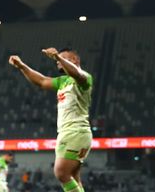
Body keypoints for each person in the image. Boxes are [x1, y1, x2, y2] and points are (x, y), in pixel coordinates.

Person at [9, 48, 93, 192]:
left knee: (61, 172)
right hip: (67, 132)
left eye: (64, 58)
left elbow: (77, 74)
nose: (58, 62)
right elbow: (41, 81)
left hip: (76, 131)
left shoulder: (84, 77)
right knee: (74, 177)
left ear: (75, 60)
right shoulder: (63, 82)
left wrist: (58, 57)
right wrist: (22, 66)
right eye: (57, 60)